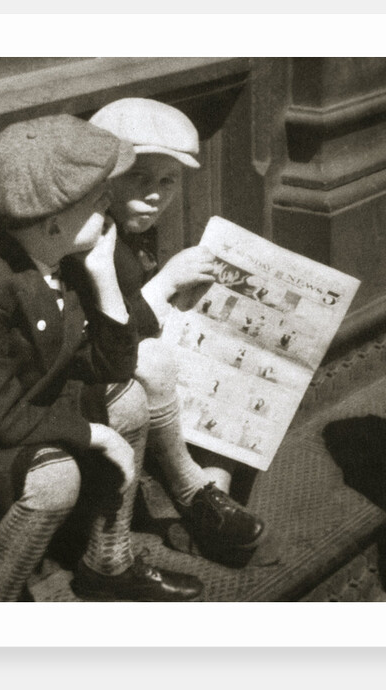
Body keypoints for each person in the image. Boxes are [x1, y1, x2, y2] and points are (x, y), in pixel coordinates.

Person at [0, 113, 205, 602]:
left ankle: (109, 563)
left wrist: (105, 274)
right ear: (52, 222)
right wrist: (93, 433)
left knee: (127, 398)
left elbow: (112, 367)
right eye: (98, 199)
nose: (110, 204)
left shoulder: (64, 255)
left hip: (23, 410)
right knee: (56, 478)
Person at [89, 98, 272, 565]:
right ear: (101, 178)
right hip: (103, 388)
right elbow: (107, 338)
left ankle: (210, 507)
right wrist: (167, 282)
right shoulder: (86, 239)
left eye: (168, 181)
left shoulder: (135, 231)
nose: (155, 195)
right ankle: (201, 503)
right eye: (139, 178)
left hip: (154, 385)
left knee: (232, 374)